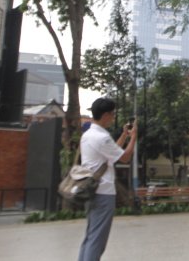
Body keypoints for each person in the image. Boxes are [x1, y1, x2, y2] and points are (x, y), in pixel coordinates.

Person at [77, 98, 137, 261]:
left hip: (91, 189)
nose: (113, 117)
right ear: (105, 115)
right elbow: (124, 157)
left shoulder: (89, 134)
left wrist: (124, 135)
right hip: (103, 192)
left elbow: (112, 154)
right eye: (112, 114)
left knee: (91, 236)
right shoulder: (102, 137)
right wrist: (133, 137)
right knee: (97, 240)